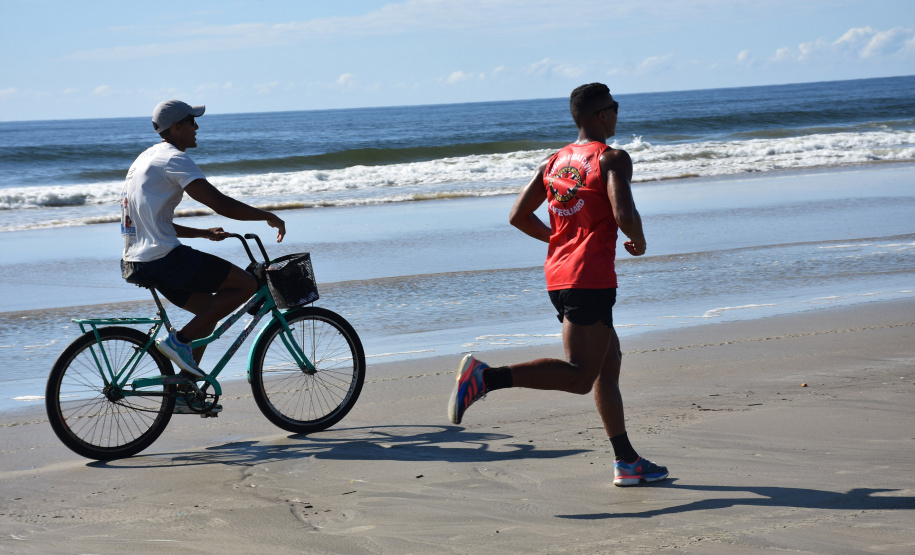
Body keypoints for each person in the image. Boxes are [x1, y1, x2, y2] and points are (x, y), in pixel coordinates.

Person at [447, 83, 668, 487]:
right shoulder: (612, 158)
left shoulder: (554, 161)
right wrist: (638, 238)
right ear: (602, 115)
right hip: (591, 278)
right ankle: (485, 378)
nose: (618, 114)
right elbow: (624, 211)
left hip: (560, 275)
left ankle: (627, 461)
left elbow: (518, 215)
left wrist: (560, 240)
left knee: (608, 364)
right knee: (582, 376)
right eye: (615, 108)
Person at [120, 100, 286, 388]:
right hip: (163, 258)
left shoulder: (144, 159)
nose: (197, 127)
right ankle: (179, 341)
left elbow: (153, 222)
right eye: (191, 121)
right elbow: (220, 204)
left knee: (208, 313)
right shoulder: (173, 158)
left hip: (137, 259)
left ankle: (184, 387)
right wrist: (266, 216)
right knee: (245, 284)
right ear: (177, 127)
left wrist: (202, 233)